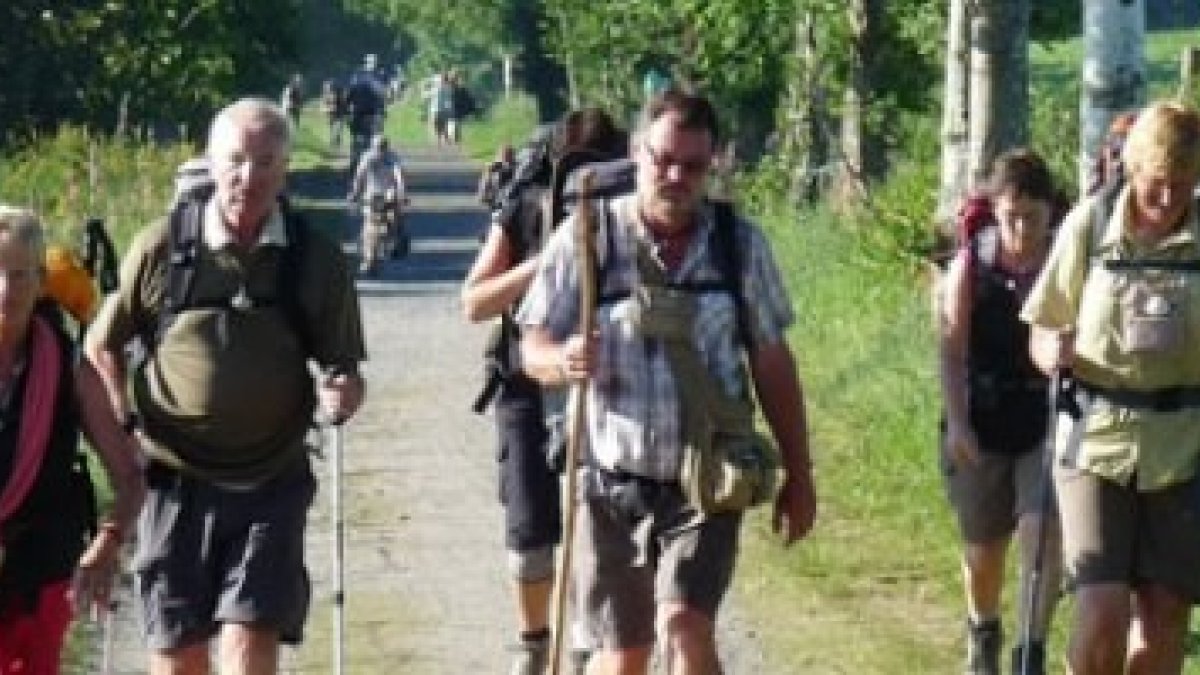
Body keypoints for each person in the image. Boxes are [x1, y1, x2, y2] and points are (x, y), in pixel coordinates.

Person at [518, 90, 817, 673]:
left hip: (705, 480)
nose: (676, 176)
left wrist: (799, 475)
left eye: (693, 166)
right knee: (623, 655)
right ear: (636, 153)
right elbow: (532, 345)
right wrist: (561, 359)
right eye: (663, 159)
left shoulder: (738, 247)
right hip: (608, 480)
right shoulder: (587, 238)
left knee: (683, 624)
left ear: (714, 165)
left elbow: (774, 363)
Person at [83, 98, 367, 675]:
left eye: (267, 162)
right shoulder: (162, 248)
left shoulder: (316, 259)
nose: (249, 177)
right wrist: (124, 423)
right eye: (236, 160)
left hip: (272, 478)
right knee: (180, 652)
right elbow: (100, 345)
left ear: (285, 168)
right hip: (174, 478)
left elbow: (345, 367)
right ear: (212, 165)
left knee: (248, 640)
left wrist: (342, 391)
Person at [1022, 100, 1200, 674]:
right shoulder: (1091, 224)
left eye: (1182, 185)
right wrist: (1053, 354)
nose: (1168, 199)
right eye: (1156, 183)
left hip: (1185, 449)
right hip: (1096, 443)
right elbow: (1043, 323)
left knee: (1166, 615)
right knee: (1101, 612)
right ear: (1132, 170)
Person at [463, 109, 627, 675]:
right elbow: (475, 300)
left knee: (595, 524)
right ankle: (535, 644)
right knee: (531, 530)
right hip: (524, 382)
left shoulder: (632, 210)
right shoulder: (527, 199)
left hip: (604, 387)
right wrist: (549, 261)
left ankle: (585, 646)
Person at [0, 206, 144, 675]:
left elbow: (130, 478)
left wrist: (107, 543)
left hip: (42, 573)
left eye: (20, 275)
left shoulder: (66, 368)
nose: (6, 291)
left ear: (41, 279)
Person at [937, 149, 1062, 675]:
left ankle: (1029, 651)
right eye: (1011, 216)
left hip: (1046, 420)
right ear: (995, 210)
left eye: (1031, 217)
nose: (1021, 228)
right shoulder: (972, 265)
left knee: (1040, 532)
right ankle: (983, 630)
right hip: (982, 421)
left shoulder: (1064, 263)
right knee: (984, 551)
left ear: (1050, 213)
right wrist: (959, 422)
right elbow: (950, 350)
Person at [348, 134, 409, 274]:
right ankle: (369, 258)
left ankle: (395, 238)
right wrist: (355, 193)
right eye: (378, 147)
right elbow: (359, 177)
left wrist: (402, 193)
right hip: (373, 195)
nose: (380, 151)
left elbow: (399, 176)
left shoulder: (391, 158)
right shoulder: (368, 158)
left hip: (388, 194)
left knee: (395, 217)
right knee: (370, 224)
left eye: (382, 147)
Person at [477, 144, 516, 212]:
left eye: (509, 157)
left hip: (513, 202)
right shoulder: (495, 169)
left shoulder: (517, 168)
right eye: (505, 157)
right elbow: (483, 193)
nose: (507, 161)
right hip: (499, 203)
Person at [320, 79, 348, 149]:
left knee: (337, 129)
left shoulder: (336, 95)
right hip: (334, 114)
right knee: (335, 129)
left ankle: (336, 143)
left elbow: (342, 104)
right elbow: (326, 104)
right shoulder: (331, 95)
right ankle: (334, 143)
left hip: (337, 114)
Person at [429, 72, 454, 146]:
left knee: (438, 125)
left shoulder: (440, 88)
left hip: (438, 109)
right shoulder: (447, 88)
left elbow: (429, 95)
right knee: (440, 125)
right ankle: (442, 139)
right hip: (440, 109)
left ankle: (441, 139)